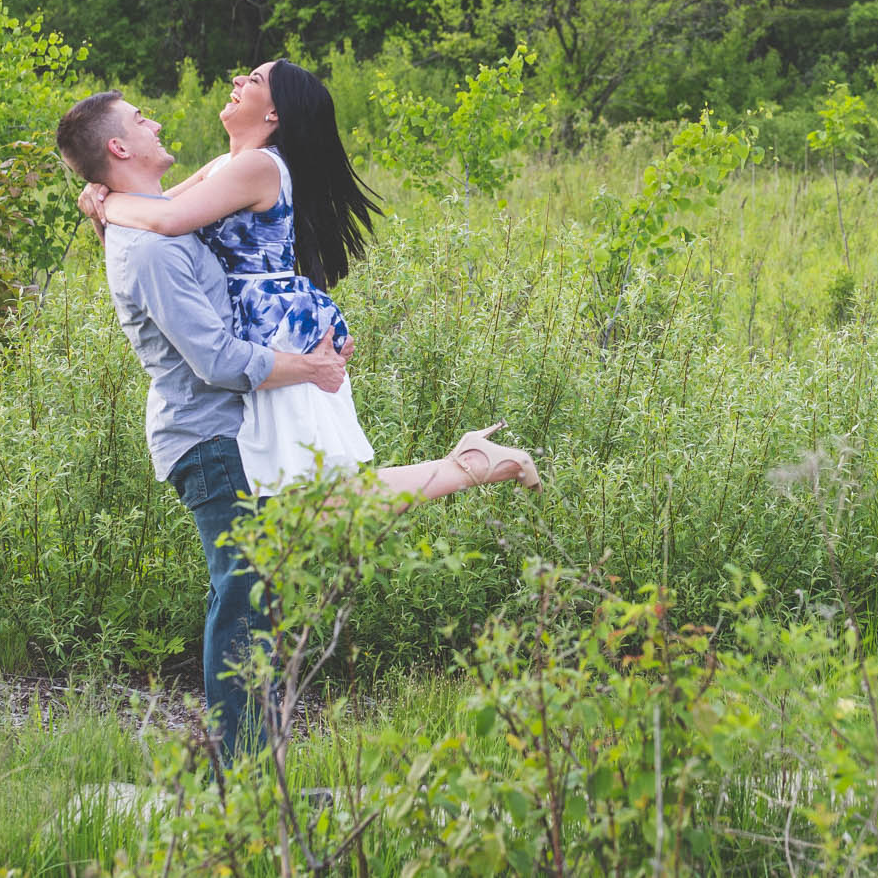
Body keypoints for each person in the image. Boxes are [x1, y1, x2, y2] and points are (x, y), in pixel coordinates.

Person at [56, 86, 538, 760]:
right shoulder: (150, 246)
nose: (158, 121)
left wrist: (101, 202)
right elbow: (217, 358)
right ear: (119, 146)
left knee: (323, 517)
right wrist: (307, 369)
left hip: (238, 424)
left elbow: (208, 223)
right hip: (208, 435)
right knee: (243, 592)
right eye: (142, 119)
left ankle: (468, 465)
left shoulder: (159, 218)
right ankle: (243, 777)